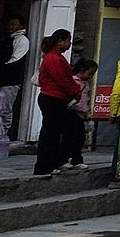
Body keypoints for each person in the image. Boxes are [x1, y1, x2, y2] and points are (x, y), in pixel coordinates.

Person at [32, 31, 84, 175]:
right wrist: (75, 91)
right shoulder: (53, 58)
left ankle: (55, 161)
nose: (69, 44)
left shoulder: (56, 57)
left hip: (56, 98)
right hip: (52, 98)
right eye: (68, 40)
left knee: (57, 132)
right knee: (51, 134)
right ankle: (45, 165)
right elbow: (62, 80)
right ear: (60, 41)